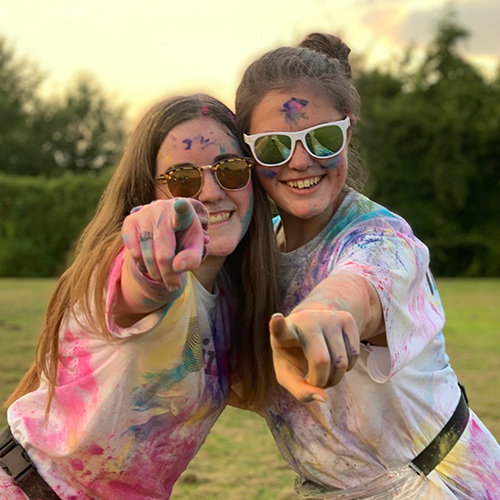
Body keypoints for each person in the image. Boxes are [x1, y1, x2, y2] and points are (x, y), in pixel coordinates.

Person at [235, 33, 500, 499]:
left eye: (321, 139)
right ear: (249, 154)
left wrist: (320, 316)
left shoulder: (385, 240)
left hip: (437, 484)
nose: (300, 161)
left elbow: (357, 287)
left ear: (347, 133)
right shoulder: (257, 254)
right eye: (275, 146)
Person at [0, 94, 279, 499]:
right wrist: (151, 254)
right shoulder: (123, 268)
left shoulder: (231, 301)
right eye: (183, 179)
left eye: (231, 170)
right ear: (148, 192)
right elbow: (136, 291)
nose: (212, 192)